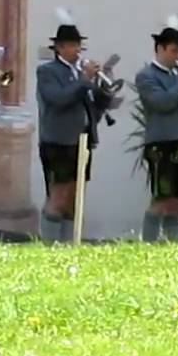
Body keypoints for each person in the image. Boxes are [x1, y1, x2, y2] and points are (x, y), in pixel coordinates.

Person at [36, 15, 113, 243]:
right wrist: (83, 80)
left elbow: (92, 107)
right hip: (58, 140)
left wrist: (103, 89)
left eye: (78, 45)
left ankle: (68, 244)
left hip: (82, 140)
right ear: (59, 47)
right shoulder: (48, 71)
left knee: (74, 196)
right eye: (71, 45)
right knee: (58, 195)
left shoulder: (80, 74)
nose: (77, 50)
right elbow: (58, 99)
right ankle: (49, 246)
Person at [135, 25, 178, 242]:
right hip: (161, 144)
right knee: (161, 197)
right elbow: (163, 102)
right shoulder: (146, 76)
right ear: (159, 49)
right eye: (173, 51)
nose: (177, 56)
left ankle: (171, 244)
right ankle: (149, 244)